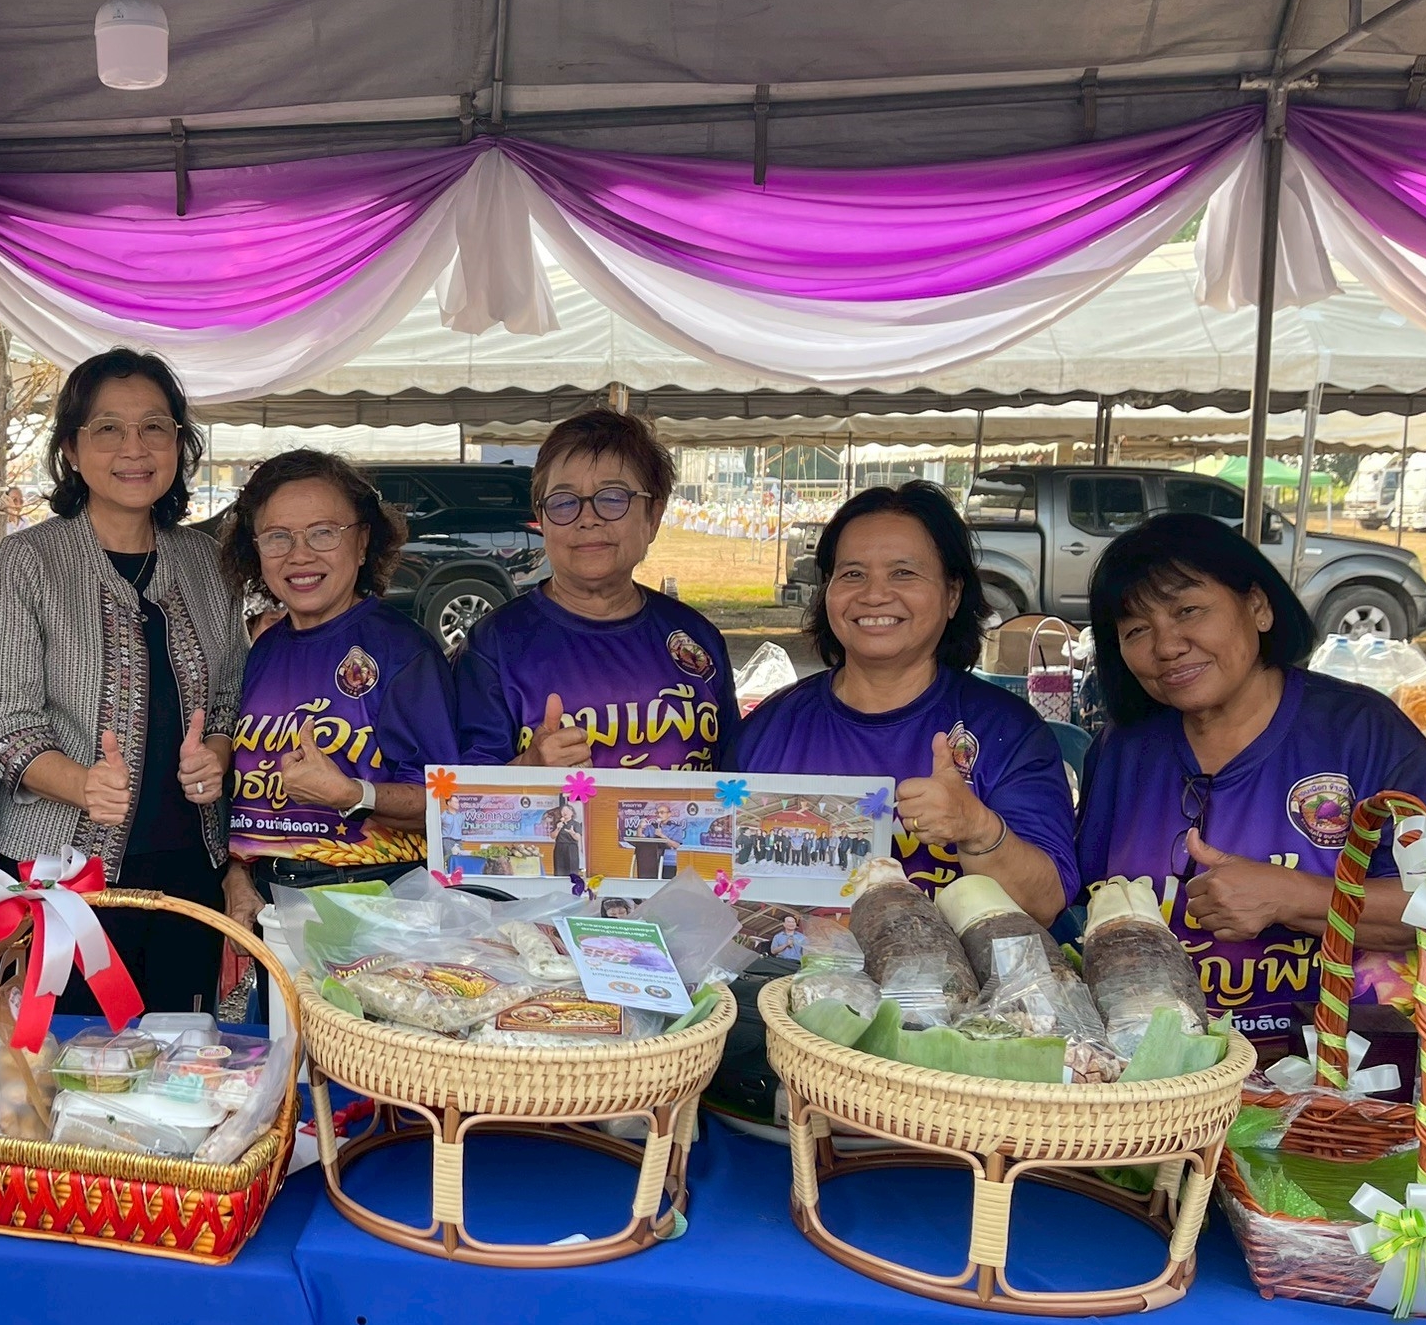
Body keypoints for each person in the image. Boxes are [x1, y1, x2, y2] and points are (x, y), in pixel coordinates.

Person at [1077, 512, 1426, 1062]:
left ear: (1258, 607)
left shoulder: (1362, 733)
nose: (1167, 645)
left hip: (1333, 1073)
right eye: (1136, 630)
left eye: (1188, 610)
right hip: (1154, 1072)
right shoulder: (1123, 750)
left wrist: (1292, 896)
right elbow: (1087, 903)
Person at [0, 350, 247, 1015]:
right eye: (107, 429)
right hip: (66, 872)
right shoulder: (27, 560)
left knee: (184, 1052)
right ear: (71, 448)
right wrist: (82, 784)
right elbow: (4, 723)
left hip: (190, 867)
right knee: (70, 1058)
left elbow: (229, 699)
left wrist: (216, 753)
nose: (134, 448)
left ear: (178, 443)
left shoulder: (208, 562)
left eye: (154, 427)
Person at [736, 482, 1075, 924]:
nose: (874, 594)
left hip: (957, 970)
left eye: (903, 573)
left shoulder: (1008, 731)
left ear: (952, 594)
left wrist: (977, 828)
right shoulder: (769, 727)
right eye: (852, 574)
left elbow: (1046, 902)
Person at [216, 450, 457, 928]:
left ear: (363, 541)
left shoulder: (403, 652)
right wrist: (237, 873)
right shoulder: (262, 648)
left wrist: (353, 794)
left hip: (377, 899)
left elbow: (448, 803)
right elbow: (248, 800)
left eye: (323, 532)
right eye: (277, 536)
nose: (299, 554)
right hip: (269, 901)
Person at [454, 409, 736, 772]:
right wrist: (527, 770)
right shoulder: (493, 646)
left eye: (613, 497)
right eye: (564, 501)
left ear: (653, 516)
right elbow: (464, 795)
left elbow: (737, 776)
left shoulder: (698, 638)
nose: (588, 518)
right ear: (541, 521)